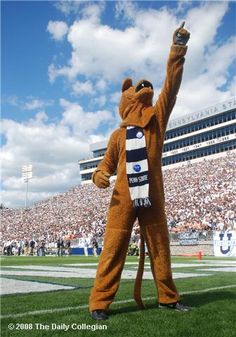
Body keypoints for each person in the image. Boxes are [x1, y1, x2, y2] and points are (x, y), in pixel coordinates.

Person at [89, 22, 190, 320]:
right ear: (126, 100)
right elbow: (104, 167)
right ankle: (99, 303)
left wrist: (177, 49)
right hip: (123, 199)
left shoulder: (156, 121)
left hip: (152, 197)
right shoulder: (117, 136)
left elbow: (170, 88)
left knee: (161, 248)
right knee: (113, 249)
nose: (143, 88)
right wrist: (100, 177)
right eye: (135, 90)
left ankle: (168, 298)